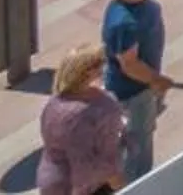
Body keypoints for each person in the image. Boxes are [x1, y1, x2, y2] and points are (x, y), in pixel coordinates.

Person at [101, 0, 168, 180]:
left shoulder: (143, 5)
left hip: (145, 88)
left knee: (140, 134)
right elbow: (129, 65)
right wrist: (156, 80)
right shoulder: (124, 22)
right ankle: (138, 183)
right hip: (132, 93)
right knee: (138, 145)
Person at [35, 44, 125, 195]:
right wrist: (115, 179)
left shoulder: (55, 102)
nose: (104, 68)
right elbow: (82, 163)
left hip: (58, 180)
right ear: (88, 72)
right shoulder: (78, 115)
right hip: (81, 187)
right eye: (100, 65)